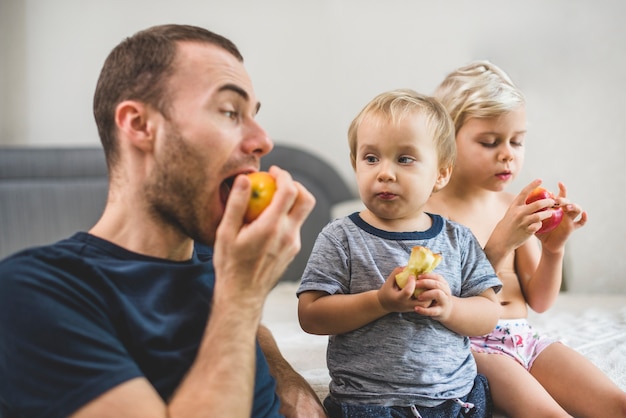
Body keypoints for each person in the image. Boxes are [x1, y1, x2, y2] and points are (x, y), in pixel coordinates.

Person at [0, 24, 327, 418]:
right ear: (139, 125)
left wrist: (284, 376)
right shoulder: (35, 289)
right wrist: (241, 296)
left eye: (254, 116)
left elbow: (247, 327)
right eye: (229, 111)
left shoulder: (219, 260)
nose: (263, 140)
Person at [426, 60, 626, 417]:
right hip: (471, 345)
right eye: (490, 142)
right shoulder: (430, 215)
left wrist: (553, 249)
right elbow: (445, 301)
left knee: (617, 405)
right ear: (446, 140)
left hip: (523, 336)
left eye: (517, 141)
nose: (508, 153)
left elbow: (540, 299)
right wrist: (501, 243)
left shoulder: (511, 204)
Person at [297, 89, 503, 418]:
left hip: (452, 400)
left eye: (404, 159)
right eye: (371, 158)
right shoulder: (341, 237)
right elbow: (311, 315)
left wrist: (449, 307)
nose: (385, 172)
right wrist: (379, 302)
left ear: (441, 173)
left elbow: (489, 314)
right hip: (366, 402)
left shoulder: (458, 238)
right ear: (355, 164)